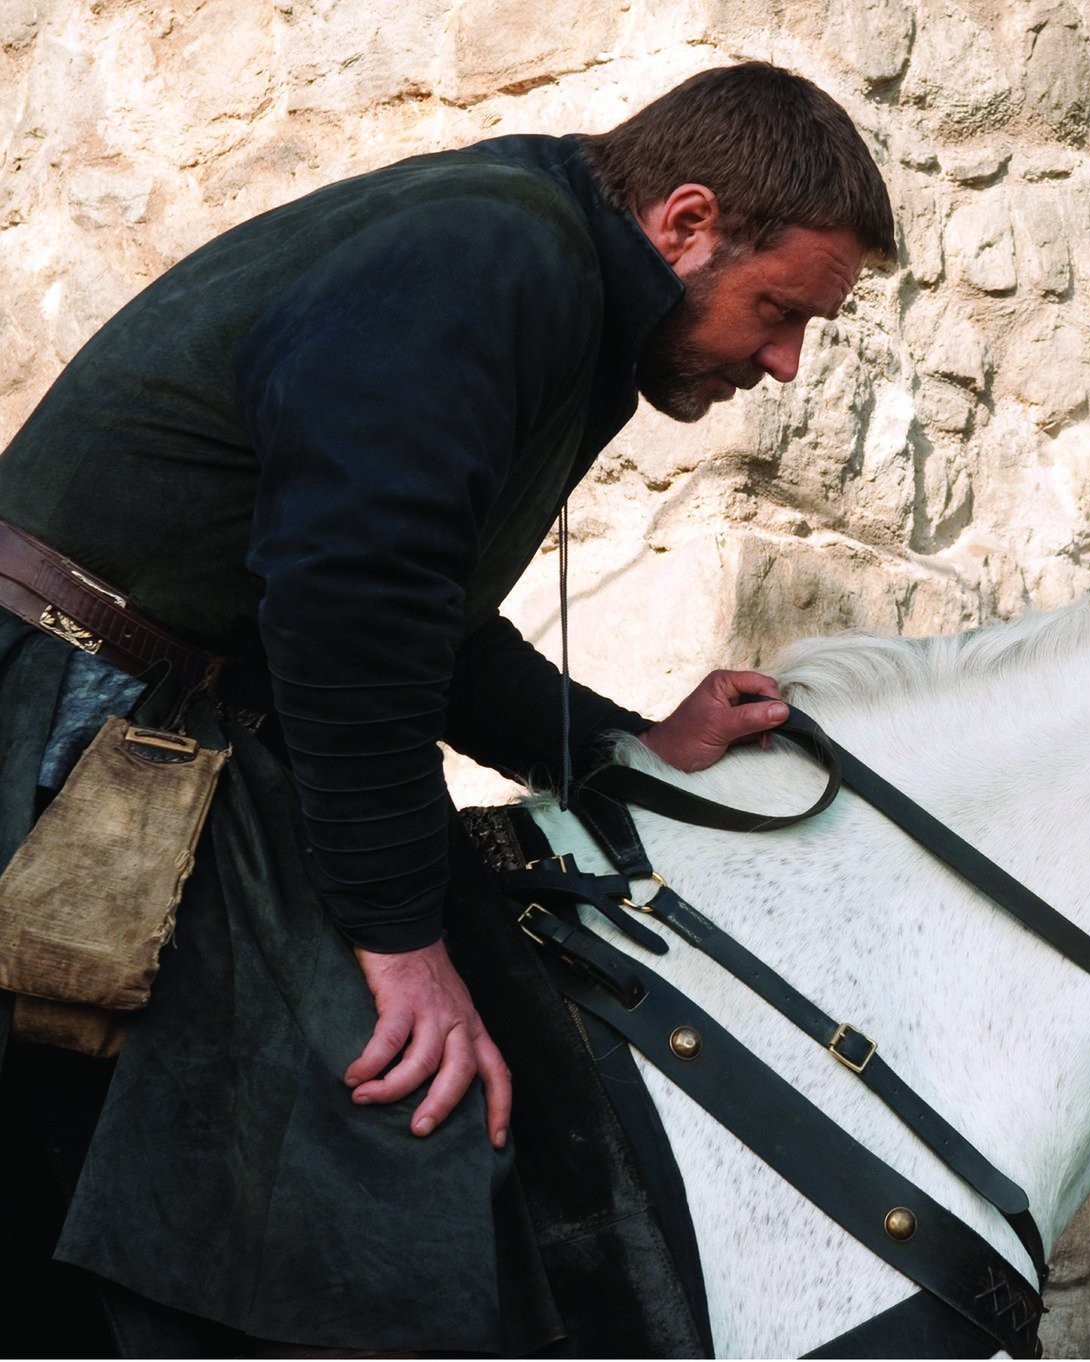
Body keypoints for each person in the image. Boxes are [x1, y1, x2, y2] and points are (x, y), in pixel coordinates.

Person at [0, 61, 893, 1354]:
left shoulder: (553, 276)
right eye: (777, 310)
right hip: (68, 715)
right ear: (687, 222)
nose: (787, 362)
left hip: (180, 720)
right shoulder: (487, 253)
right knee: (363, 1152)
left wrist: (621, 746)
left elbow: (428, 619)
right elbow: (349, 604)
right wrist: (397, 942)